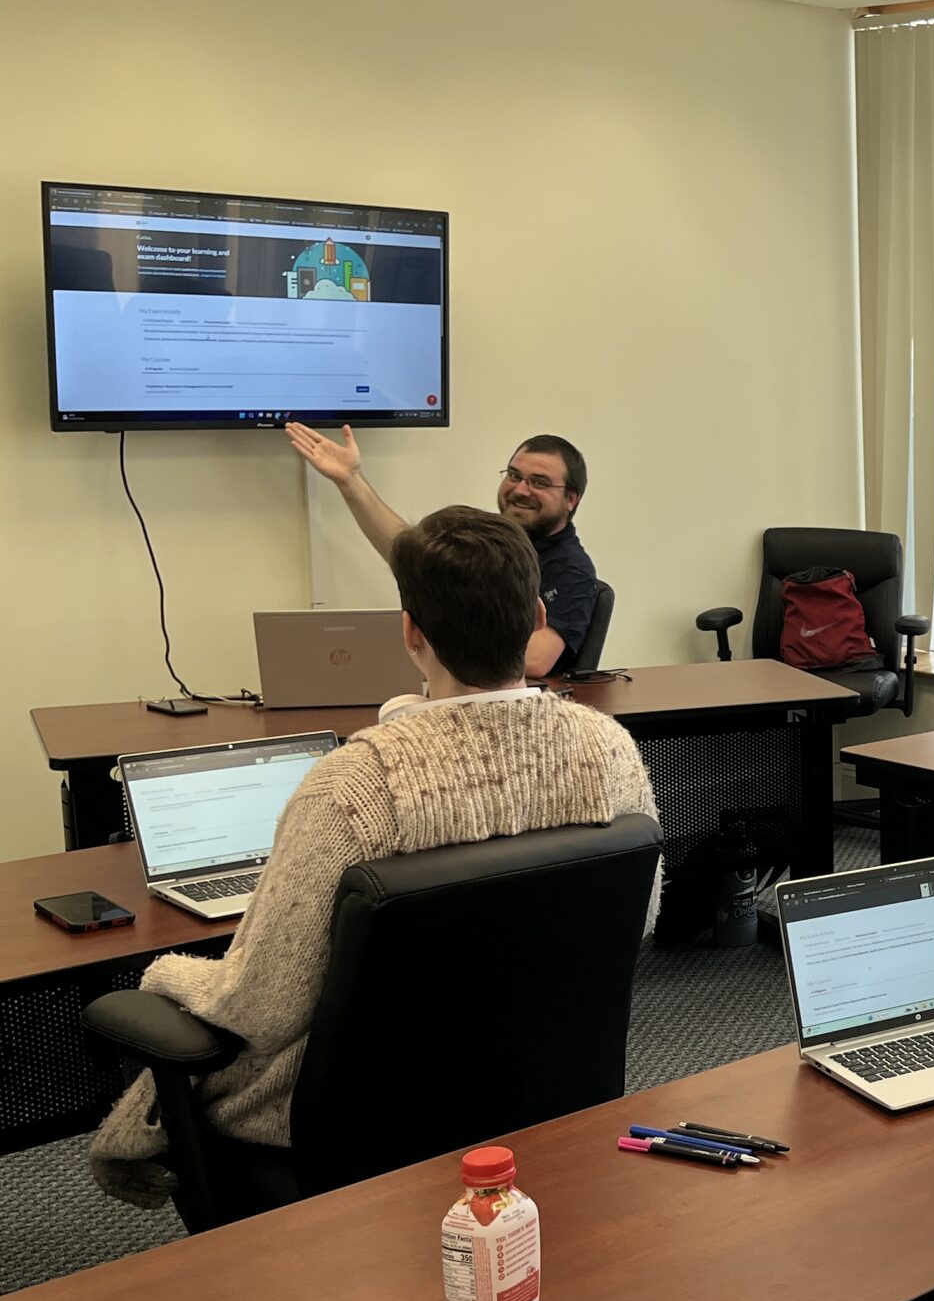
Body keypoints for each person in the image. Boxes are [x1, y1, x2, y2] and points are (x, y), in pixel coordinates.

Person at [90, 507, 657, 1207]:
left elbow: (259, 1008)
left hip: (354, 1128)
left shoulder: (357, 786)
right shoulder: (610, 751)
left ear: (411, 630)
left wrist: (170, 974)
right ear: (536, 615)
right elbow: (637, 917)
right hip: (544, 1096)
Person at [288, 423, 599, 676]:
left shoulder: (571, 568)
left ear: (572, 499)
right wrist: (350, 481)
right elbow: (412, 555)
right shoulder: (492, 541)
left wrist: (433, 640)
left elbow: (535, 660)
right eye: (514, 476)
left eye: (539, 483)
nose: (520, 490)